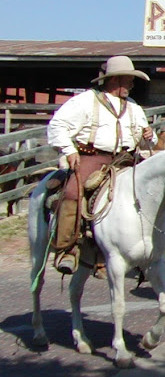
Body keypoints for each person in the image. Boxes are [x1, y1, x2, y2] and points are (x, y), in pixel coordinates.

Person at [47, 55, 158, 275]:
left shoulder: (133, 107)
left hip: (126, 158)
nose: (131, 85)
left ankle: (149, 247)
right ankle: (67, 248)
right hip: (93, 157)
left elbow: (149, 139)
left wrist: (149, 135)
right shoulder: (85, 101)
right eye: (129, 80)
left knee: (155, 189)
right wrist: (69, 151)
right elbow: (57, 125)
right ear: (114, 80)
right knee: (72, 192)